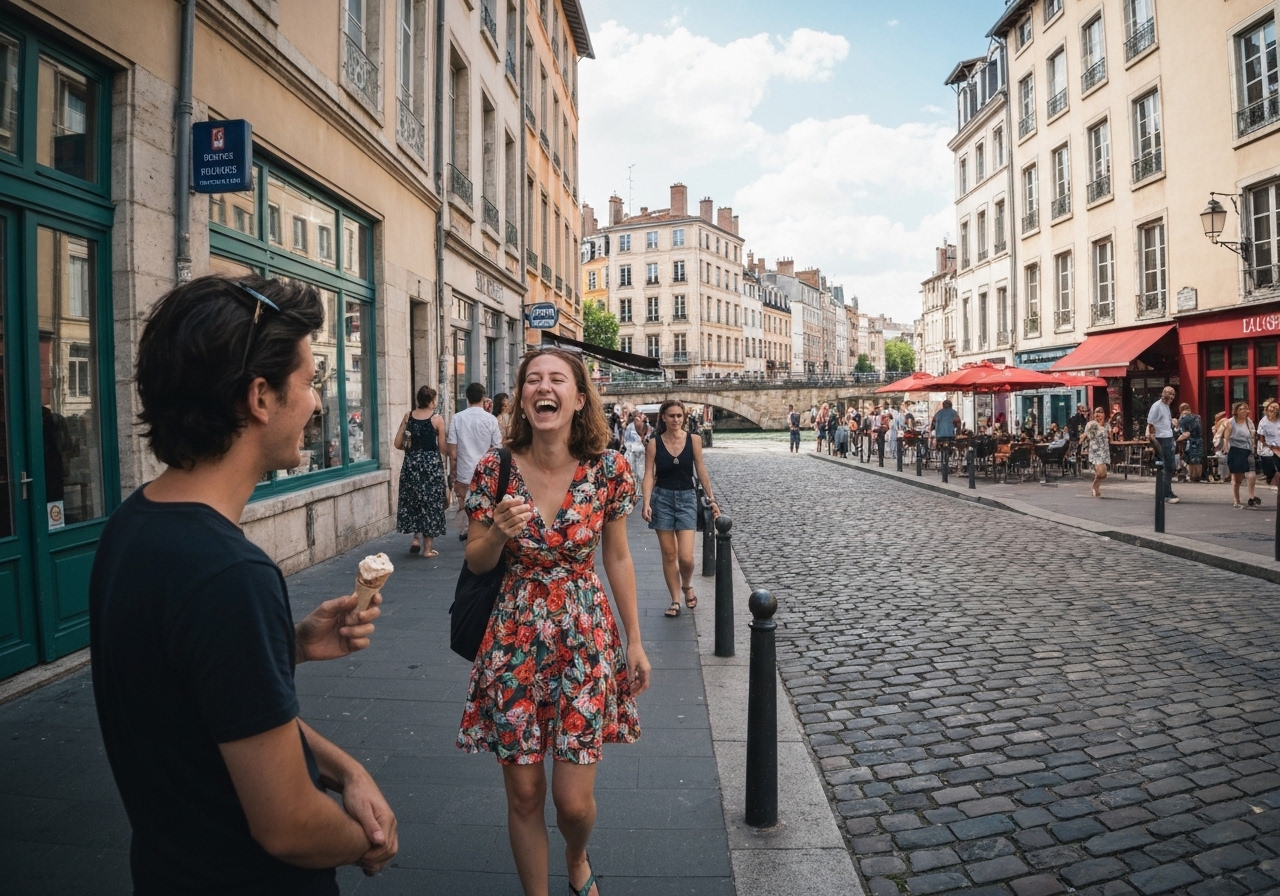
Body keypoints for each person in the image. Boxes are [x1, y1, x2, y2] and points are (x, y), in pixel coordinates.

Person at [91, 276, 396, 893]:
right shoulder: (230, 575)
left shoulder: (132, 525)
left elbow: (203, 703)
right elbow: (288, 826)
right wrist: (367, 840)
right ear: (260, 397)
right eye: (309, 382)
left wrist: (290, 648)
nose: (316, 403)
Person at [458, 347, 649, 896]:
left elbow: (617, 557)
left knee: (572, 802)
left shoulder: (608, 469)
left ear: (578, 397)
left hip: (584, 637)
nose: (544, 387)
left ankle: (576, 853)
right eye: (532, 380)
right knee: (523, 796)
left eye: (556, 379)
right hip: (514, 638)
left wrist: (634, 641)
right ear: (522, 397)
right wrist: (497, 531)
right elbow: (476, 560)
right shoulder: (493, 469)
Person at [643, 399, 719, 618]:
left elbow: (701, 469)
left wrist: (711, 498)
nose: (676, 419)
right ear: (663, 418)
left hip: (687, 498)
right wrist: (646, 502)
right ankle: (675, 600)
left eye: (679, 416)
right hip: (662, 499)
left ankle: (686, 585)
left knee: (686, 557)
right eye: (671, 416)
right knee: (669, 554)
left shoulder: (694, 440)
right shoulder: (654, 443)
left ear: (684, 417)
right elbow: (649, 474)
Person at [395, 385, 449, 557]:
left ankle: (415, 539)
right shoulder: (437, 419)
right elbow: (442, 448)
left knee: (413, 501)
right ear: (431, 401)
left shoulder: (408, 416)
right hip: (431, 466)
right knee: (431, 504)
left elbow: (397, 444)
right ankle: (428, 549)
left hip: (411, 465)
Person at [447, 382, 503, 541]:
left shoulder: (457, 418)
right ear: (484, 398)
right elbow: (497, 448)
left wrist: (453, 473)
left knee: (465, 504)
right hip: (485, 472)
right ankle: (477, 533)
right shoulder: (491, 419)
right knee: (483, 505)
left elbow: (452, 452)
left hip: (464, 472)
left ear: (467, 397)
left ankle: (468, 529)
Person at [1146, 385, 1180, 503]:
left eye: (1172, 395)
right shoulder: (1157, 407)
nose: (1170, 398)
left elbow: (1164, 421)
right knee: (1167, 466)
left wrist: (1172, 422)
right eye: (1168, 395)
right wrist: (1154, 440)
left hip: (1168, 437)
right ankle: (1166, 493)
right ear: (1163, 394)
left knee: (1169, 466)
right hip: (1161, 438)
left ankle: (1165, 492)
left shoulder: (1166, 406)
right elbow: (1150, 424)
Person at [1225, 401, 1260, 509]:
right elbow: (1225, 436)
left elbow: (1253, 435)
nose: (1245, 411)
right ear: (1236, 411)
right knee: (1237, 479)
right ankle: (1236, 501)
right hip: (1235, 451)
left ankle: (1252, 497)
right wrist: (1225, 446)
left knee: (1251, 474)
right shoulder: (1231, 422)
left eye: (1246, 408)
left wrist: (1254, 447)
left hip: (1247, 450)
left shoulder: (1248, 421)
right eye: (1241, 409)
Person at [1081, 406, 1111, 498]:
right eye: (1096, 413)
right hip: (1096, 451)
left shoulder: (1107, 425)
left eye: (1100, 412)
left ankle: (1096, 486)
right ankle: (1095, 486)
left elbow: (1110, 436)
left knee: (1104, 474)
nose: (1098, 415)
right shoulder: (1092, 424)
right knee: (1101, 473)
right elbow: (1086, 435)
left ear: (1104, 414)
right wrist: (1081, 442)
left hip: (1104, 450)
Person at [1176, 403, 1204, 484]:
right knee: (1198, 460)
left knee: (1190, 461)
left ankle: (1192, 477)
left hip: (1190, 442)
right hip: (1199, 440)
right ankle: (1197, 477)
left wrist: (1177, 440)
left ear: (1180, 410)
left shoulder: (1182, 419)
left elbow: (1185, 433)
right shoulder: (1197, 417)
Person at [1258, 400, 1280, 490]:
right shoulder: (1263, 422)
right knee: (1271, 474)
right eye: (1271, 408)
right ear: (1267, 410)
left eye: (1276, 408)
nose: (1273, 410)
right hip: (1268, 450)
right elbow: (1261, 437)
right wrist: (1270, 446)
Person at [623, 409, 649, 485]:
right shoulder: (630, 427)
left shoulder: (646, 426)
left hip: (642, 458)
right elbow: (628, 443)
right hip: (633, 456)